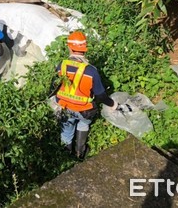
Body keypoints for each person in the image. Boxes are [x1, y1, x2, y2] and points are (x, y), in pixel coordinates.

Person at [53, 31, 128, 160]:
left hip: (64, 107)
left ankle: (65, 155)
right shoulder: (91, 70)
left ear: (69, 47)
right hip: (84, 110)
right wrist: (113, 105)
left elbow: (53, 88)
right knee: (83, 124)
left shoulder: (61, 66)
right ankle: (79, 152)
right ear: (84, 50)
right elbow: (101, 96)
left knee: (66, 130)